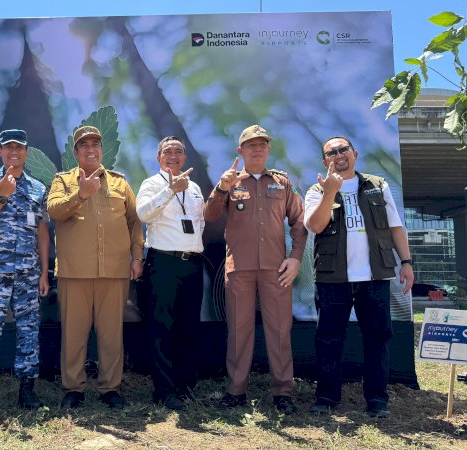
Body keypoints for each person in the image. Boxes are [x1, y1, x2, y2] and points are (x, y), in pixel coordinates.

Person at [304, 136, 414, 418]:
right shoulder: (317, 189)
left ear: (354, 153)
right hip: (332, 279)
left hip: (374, 277)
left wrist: (406, 262)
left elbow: (396, 227)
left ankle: (377, 399)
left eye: (343, 150)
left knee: (377, 337)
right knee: (329, 338)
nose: (338, 155)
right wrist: (330, 191)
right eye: (331, 153)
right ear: (324, 161)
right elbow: (315, 226)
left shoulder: (378, 185)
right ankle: (327, 397)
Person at [203, 124, 307, 414]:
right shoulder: (231, 181)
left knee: (279, 329)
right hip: (240, 268)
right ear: (241, 151)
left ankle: (283, 392)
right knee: (239, 330)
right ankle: (235, 390)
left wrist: (296, 257)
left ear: (268, 149)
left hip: (277, 269)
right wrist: (222, 187)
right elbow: (209, 216)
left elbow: (298, 222)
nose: (258, 148)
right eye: (251, 145)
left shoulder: (282, 184)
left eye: (262, 144)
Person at [47, 125, 144, 409]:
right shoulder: (63, 181)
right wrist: (82, 194)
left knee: (112, 334)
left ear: (102, 150)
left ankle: (110, 388)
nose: (91, 149)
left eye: (96, 144)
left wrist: (137, 256)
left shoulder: (119, 183)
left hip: (113, 271)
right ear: (76, 152)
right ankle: (73, 390)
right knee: (73, 335)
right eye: (85, 145)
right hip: (74, 271)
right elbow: (54, 210)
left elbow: (134, 222)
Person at [0, 129, 49, 414]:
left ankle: (27, 391)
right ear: (0, 151)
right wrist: (1, 196)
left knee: (29, 331)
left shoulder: (38, 188)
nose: (14, 152)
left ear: (26, 152)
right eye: (8, 147)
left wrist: (43, 271)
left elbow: (41, 229)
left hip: (28, 272)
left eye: (20, 147)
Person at [136, 136, 205, 411]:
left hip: (192, 264)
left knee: (189, 326)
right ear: (159, 158)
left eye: (178, 151)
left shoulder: (196, 188)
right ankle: (165, 391)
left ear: (185, 157)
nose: (173, 155)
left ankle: (185, 386)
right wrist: (170, 190)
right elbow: (142, 214)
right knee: (162, 327)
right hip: (163, 263)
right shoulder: (151, 184)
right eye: (167, 151)